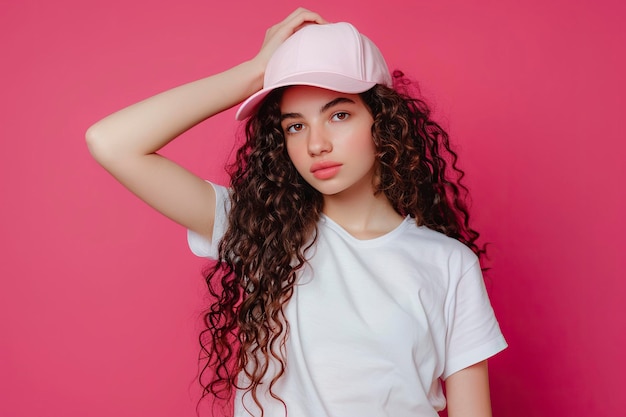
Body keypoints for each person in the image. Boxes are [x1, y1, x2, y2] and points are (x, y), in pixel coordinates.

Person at [86, 8, 507, 417]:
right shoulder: (261, 231)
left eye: (339, 115)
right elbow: (111, 142)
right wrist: (254, 73)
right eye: (295, 125)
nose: (316, 144)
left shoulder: (449, 264)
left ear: (384, 122)